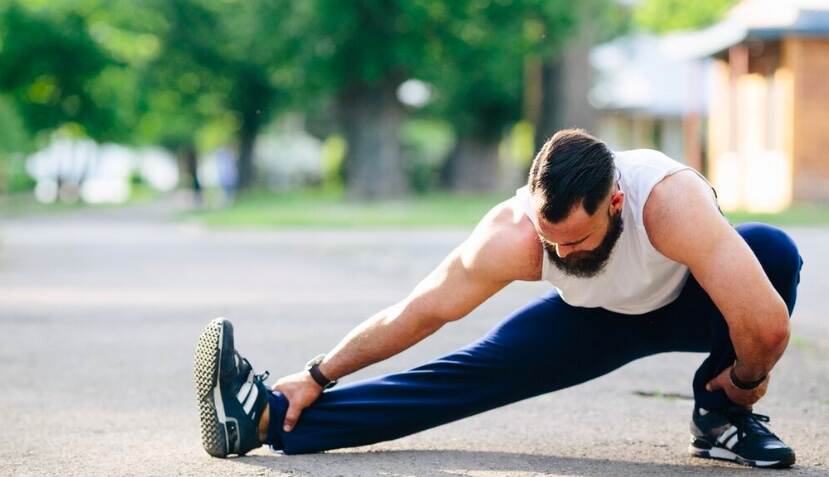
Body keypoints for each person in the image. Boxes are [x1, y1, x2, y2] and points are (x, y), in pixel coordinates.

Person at [193, 129, 803, 468]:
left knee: (771, 250)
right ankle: (265, 417)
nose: (560, 256)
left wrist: (741, 381)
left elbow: (767, 327)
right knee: (465, 375)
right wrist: (319, 373)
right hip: (595, 319)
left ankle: (721, 423)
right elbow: (422, 309)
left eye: (576, 239)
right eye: (549, 240)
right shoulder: (513, 235)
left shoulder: (669, 203)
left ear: (615, 202)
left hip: (694, 303)